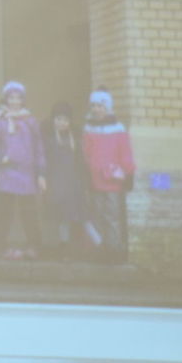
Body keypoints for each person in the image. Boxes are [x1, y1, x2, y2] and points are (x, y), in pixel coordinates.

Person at [0, 80, 47, 260]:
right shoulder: (0, 121)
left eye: (18, 98)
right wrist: (0, 157)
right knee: (4, 211)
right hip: (8, 172)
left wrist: (41, 173)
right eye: (11, 98)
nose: (14, 102)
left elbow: (39, 148)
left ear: (23, 100)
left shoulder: (30, 121)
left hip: (27, 173)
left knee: (29, 211)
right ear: (5, 100)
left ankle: (34, 245)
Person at [82, 87, 136, 262]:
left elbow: (125, 152)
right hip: (95, 181)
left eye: (100, 106)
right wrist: (87, 173)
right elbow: (86, 153)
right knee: (96, 215)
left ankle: (114, 250)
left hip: (113, 182)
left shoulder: (118, 129)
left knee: (112, 216)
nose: (96, 109)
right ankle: (98, 249)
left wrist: (129, 172)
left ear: (107, 107)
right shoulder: (88, 129)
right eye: (93, 106)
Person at [43, 100, 92, 260]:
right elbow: (45, 162)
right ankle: (65, 247)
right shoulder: (49, 140)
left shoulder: (75, 140)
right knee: (62, 218)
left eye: (65, 119)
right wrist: (44, 178)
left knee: (82, 218)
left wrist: (84, 183)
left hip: (74, 186)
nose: (61, 122)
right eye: (58, 119)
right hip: (58, 186)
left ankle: (98, 245)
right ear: (53, 120)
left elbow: (81, 163)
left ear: (70, 121)